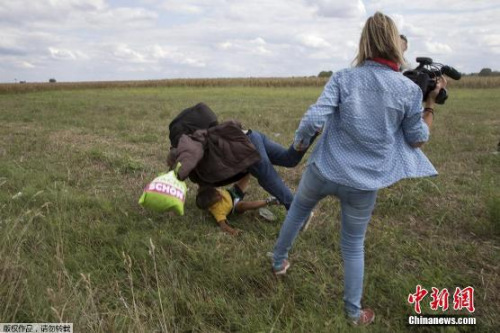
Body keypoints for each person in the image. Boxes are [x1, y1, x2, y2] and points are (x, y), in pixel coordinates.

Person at [271, 12, 447, 326]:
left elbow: (313, 120)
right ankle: (353, 313)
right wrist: (429, 104)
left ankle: (278, 261)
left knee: (297, 211)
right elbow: (417, 139)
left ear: (364, 42)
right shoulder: (408, 91)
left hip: (323, 169)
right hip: (364, 183)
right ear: (396, 44)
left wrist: (299, 147)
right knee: (353, 244)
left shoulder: (343, 77)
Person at [196, 174, 279, 235]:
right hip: (235, 206)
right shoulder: (217, 211)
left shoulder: (209, 191)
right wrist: (233, 231)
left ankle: (250, 168)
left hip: (233, 193)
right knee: (245, 205)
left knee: (245, 176)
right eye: (218, 197)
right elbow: (223, 226)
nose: (219, 194)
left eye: (217, 192)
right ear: (211, 204)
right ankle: (269, 201)